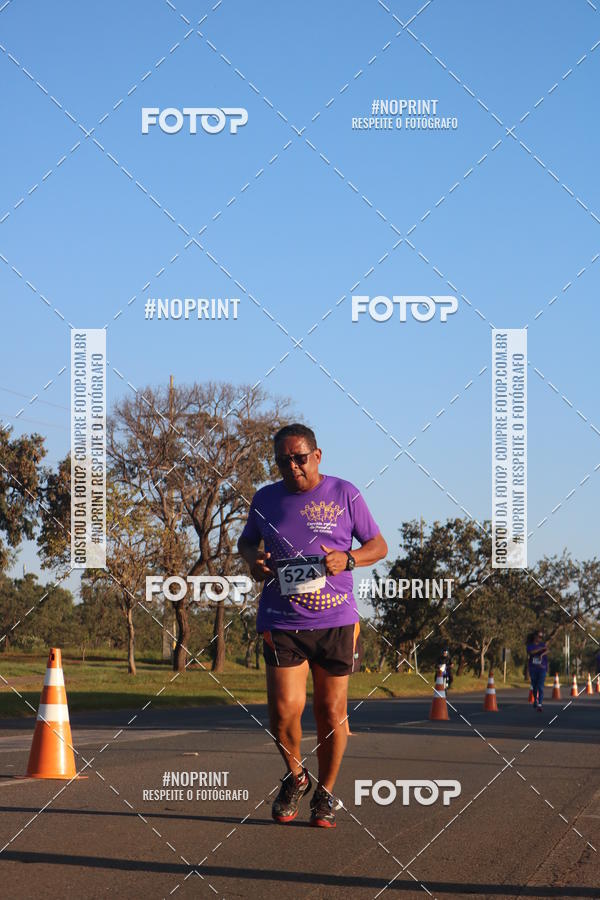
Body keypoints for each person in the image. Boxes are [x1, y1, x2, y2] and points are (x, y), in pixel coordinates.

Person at [237, 423, 387, 828]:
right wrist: (254, 560)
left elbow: (378, 545)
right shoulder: (266, 499)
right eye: (283, 461)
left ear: (317, 456)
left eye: (300, 458)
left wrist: (349, 558)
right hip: (282, 620)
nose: (293, 467)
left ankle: (326, 793)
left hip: (336, 620)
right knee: (283, 713)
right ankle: (297, 775)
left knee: (330, 711)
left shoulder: (345, 493)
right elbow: (246, 541)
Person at [526, 629, 548, 710]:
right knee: (534, 686)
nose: (540, 638)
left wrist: (542, 654)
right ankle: (535, 699)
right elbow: (531, 652)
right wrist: (540, 649)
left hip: (542, 668)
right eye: (539, 636)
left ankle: (540, 704)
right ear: (535, 636)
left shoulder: (543, 644)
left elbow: (547, 650)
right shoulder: (530, 645)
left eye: (541, 637)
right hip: (533, 668)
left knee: (540, 687)